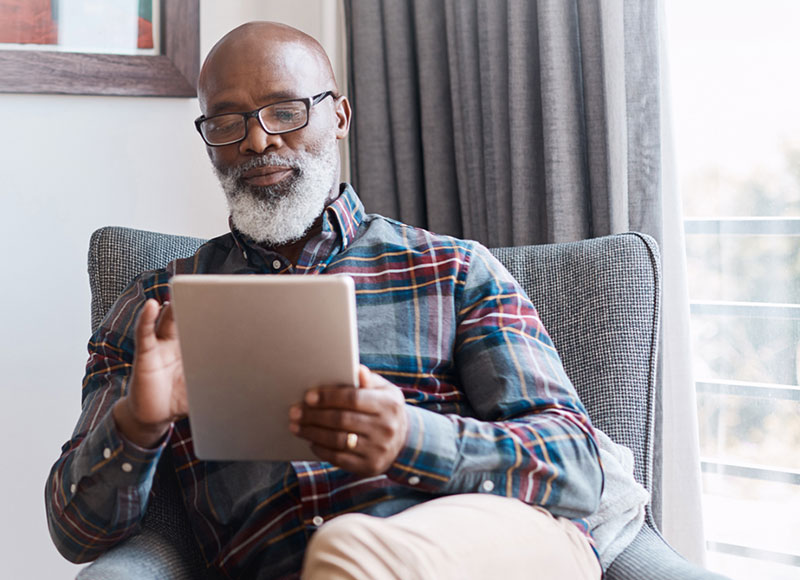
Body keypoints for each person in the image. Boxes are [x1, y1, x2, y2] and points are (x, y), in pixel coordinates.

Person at [46, 22, 608, 580]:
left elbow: (577, 469)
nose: (257, 141)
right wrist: (138, 423)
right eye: (225, 122)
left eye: (285, 111)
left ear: (338, 117)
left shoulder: (453, 269)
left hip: (485, 550)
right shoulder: (158, 309)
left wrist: (413, 438)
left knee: (348, 551)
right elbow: (76, 534)